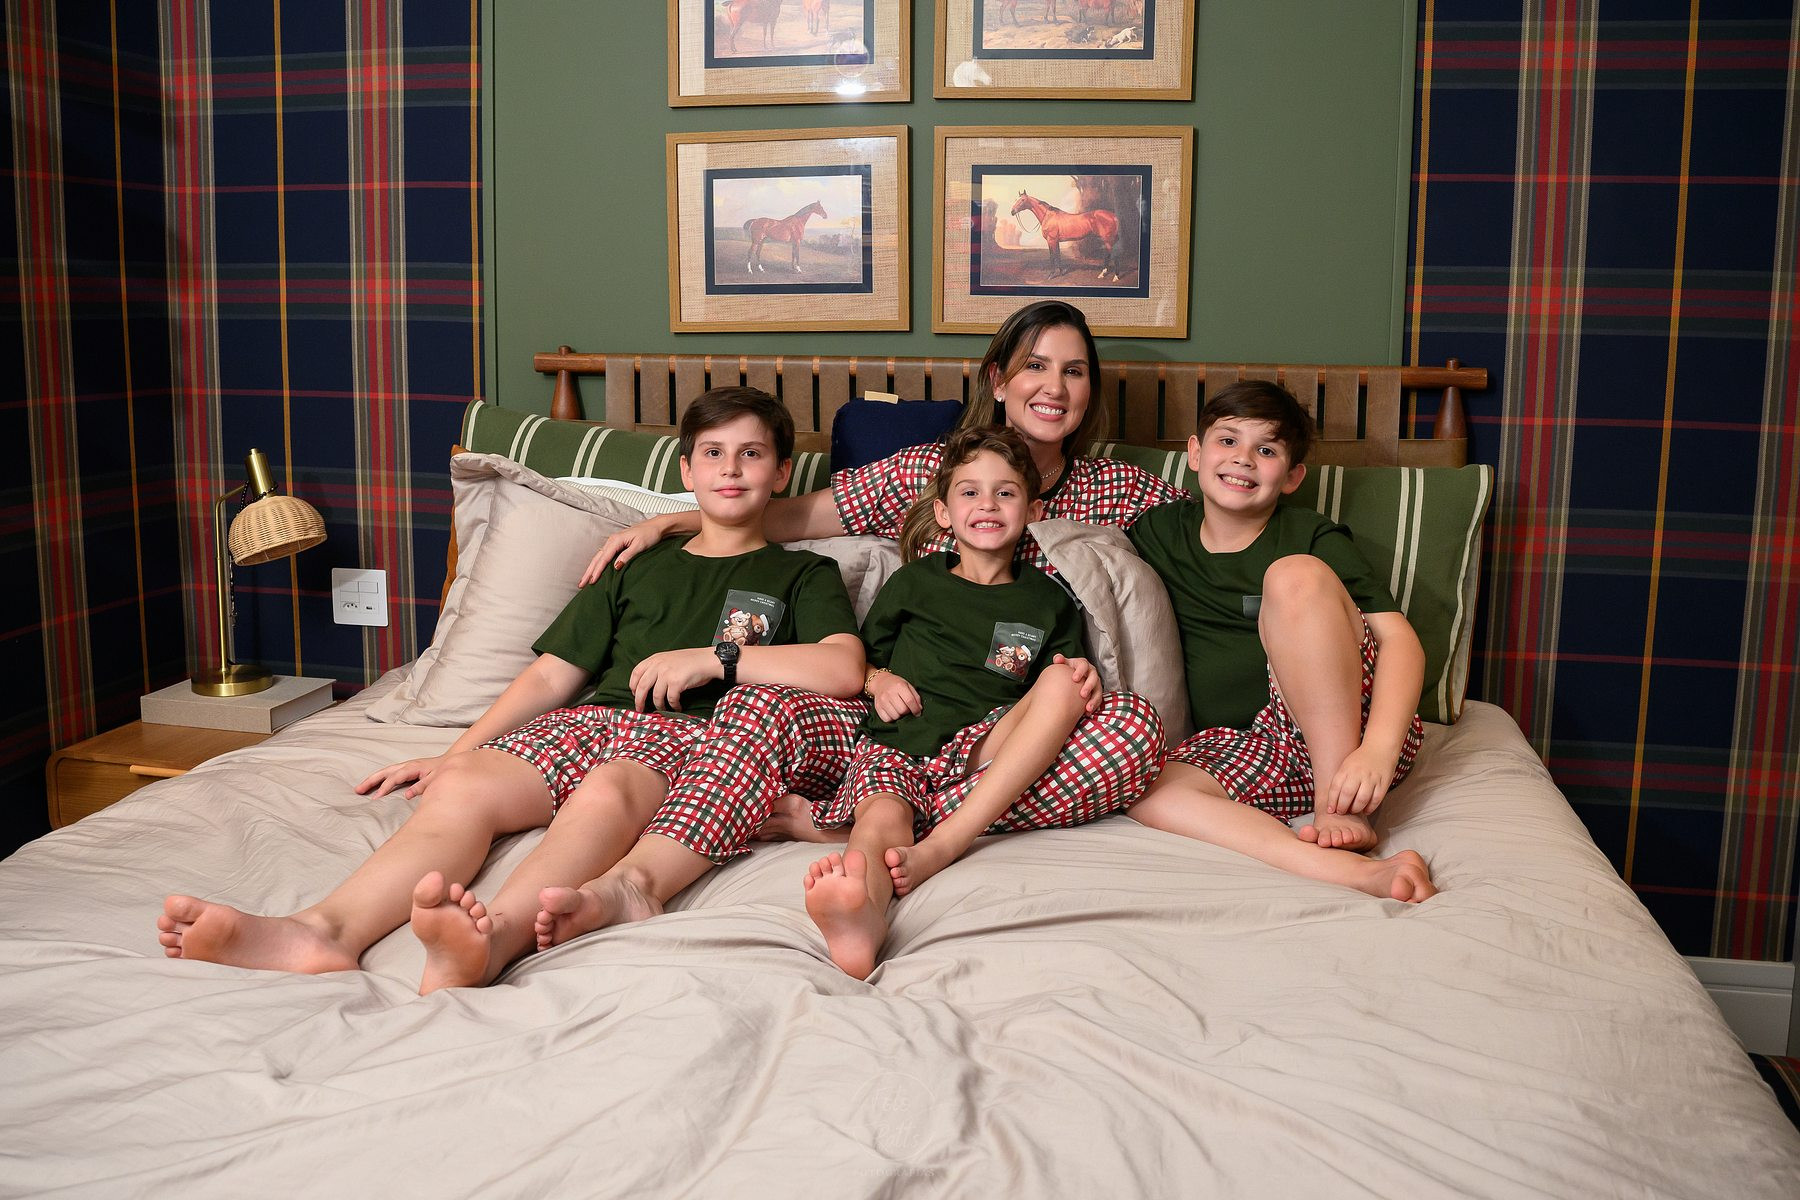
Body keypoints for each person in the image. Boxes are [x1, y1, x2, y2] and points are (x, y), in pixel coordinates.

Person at [156, 387, 865, 992]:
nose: (730, 469)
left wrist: (715, 658)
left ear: (781, 473)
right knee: (465, 787)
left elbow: (842, 669)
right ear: (686, 469)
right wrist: (455, 755)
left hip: (690, 741)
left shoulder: (803, 575)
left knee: (607, 791)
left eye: (751, 453)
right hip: (591, 723)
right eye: (712, 452)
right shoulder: (638, 563)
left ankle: (494, 939)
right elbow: (553, 674)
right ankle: (322, 931)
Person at [534, 427, 1166, 980]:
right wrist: (879, 681)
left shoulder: (1050, 598)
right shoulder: (915, 581)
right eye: (970, 492)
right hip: (898, 740)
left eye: (1006, 493)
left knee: (1132, 721)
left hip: (987, 748)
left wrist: (1077, 678)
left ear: (1033, 509)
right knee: (876, 810)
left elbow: (1051, 701)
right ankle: (859, 910)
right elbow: (861, 664)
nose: (988, 505)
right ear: (943, 513)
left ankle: (909, 837)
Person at [577, 300, 1187, 845]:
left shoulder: (1118, 489)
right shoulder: (927, 472)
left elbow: (1210, 534)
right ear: (998, 380)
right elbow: (790, 516)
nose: (1054, 387)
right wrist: (671, 521)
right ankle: (908, 805)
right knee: (763, 704)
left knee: (1135, 730)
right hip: (904, 717)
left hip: (1014, 728)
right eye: (1035, 365)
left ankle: (869, 818)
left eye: (1074, 371)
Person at [1124, 381, 1437, 902]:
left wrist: (1378, 750)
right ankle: (1351, 871)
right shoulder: (1158, 532)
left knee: (1294, 577)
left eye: (1266, 450)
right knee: (1146, 792)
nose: (1243, 459)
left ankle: (1338, 807)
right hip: (1253, 746)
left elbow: (1400, 641)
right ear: (1195, 453)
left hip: (1355, 742)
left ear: (1292, 477)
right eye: (1227, 441)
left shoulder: (1310, 536)